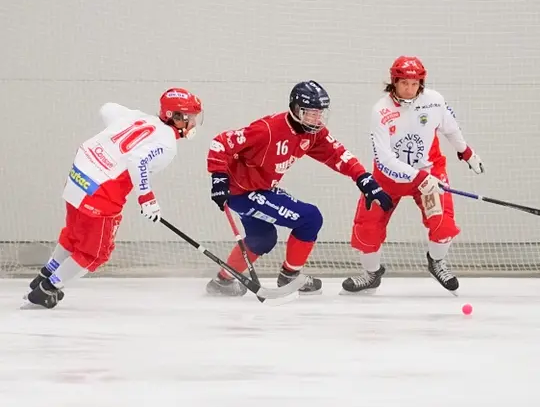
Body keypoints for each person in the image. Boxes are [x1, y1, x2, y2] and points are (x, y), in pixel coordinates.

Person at [206, 80, 392, 296]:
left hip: (259, 189)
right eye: (310, 113)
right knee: (310, 218)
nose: (316, 118)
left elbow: (336, 154)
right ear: (295, 109)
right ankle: (289, 277)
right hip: (241, 192)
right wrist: (219, 178)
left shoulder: (313, 133)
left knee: (263, 238)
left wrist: (364, 178)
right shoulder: (267, 130)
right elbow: (220, 143)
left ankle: (222, 282)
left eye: (319, 113)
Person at [23, 88, 203, 309]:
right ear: (175, 117)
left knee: (73, 235)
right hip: (102, 193)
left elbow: (107, 108)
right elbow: (139, 161)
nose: (193, 123)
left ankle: (45, 275)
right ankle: (47, 289)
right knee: (95, 253)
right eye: (190, 118)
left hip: (78, 177)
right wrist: (147, 199)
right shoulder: (167, 144)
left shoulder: (138, 117)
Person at [342, 56, 484, 294]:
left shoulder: (434, 101)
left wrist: (467, 153)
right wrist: (418, 178)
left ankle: (436, 261)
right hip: (389, 179)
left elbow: (451, 129)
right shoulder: (381, 110)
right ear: (394, 82)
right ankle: (371, 274)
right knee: (367, 228)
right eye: (404, 83)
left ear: (421, 83)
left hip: (429, 173)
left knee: (443, 224)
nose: (410, 89)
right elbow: (384, 158)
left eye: (415, 83)